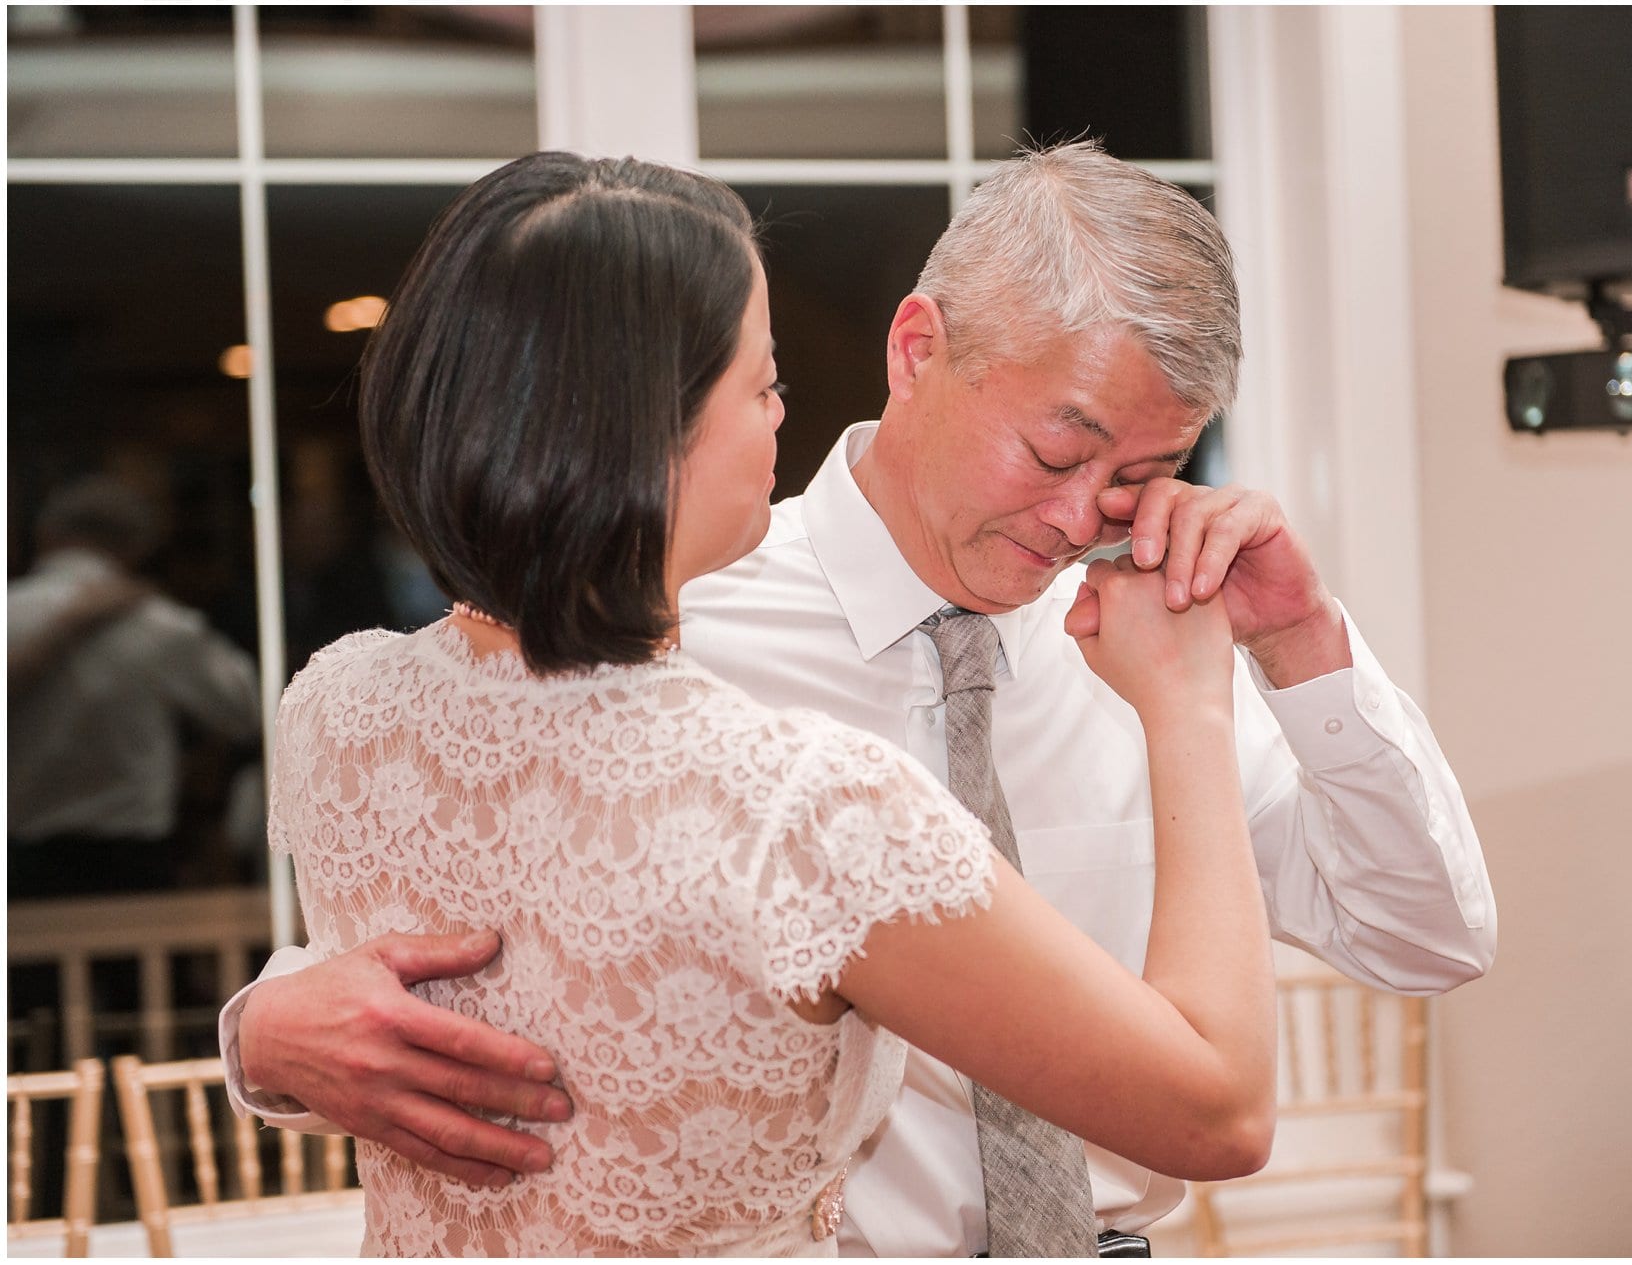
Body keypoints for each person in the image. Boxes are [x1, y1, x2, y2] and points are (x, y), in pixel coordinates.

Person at [224, 140, 1496, 1257]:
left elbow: (1426, 936)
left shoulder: (1148, 637)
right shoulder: (663, 630)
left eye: (1145, 470)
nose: (1081, 513)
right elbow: (482, 914)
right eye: (1057, 450)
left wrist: (1299, 645)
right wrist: (262, 1033)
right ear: (917, 347)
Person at [9, 476, 260, 898]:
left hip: (20, 867)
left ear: (46, 533)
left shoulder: (10, 613)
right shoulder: (158, 624)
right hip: (131, 867)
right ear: (140, 546)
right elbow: (245, 708)